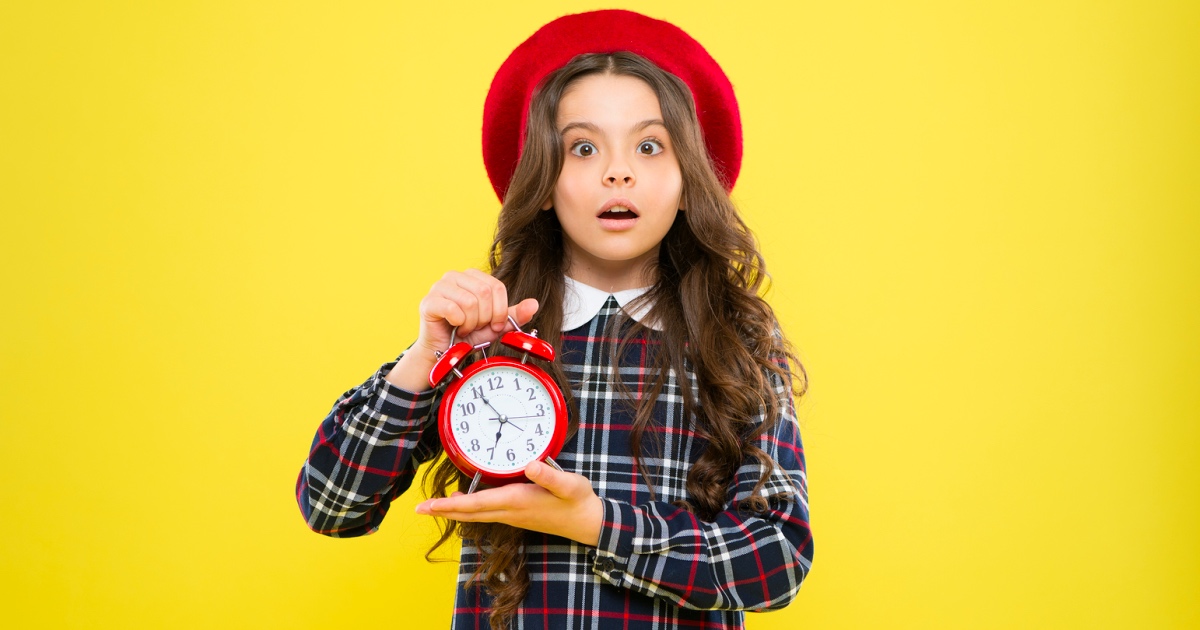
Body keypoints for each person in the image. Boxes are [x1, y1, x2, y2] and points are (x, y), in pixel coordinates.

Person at [296, 10, 813, 630]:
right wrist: (423, 357)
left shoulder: (735, 340)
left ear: (687, 183)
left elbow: (778, 559)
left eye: (650, 146)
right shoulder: (493, 332)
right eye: (583, 148)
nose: (618, 171)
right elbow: (331, 504)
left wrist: (598, 525)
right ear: (542, 183)